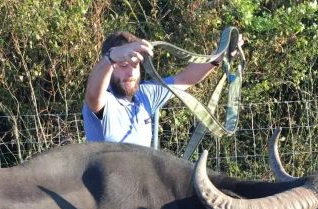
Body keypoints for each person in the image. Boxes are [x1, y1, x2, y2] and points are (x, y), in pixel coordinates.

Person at [83, 31, 225, 147]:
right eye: (124, 65)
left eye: (135, 64)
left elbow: (185, 79)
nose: (131, 73)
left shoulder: (145, 95)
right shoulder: (105, 100)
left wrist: (218, 56)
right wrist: (111, 57)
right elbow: (93, 95)